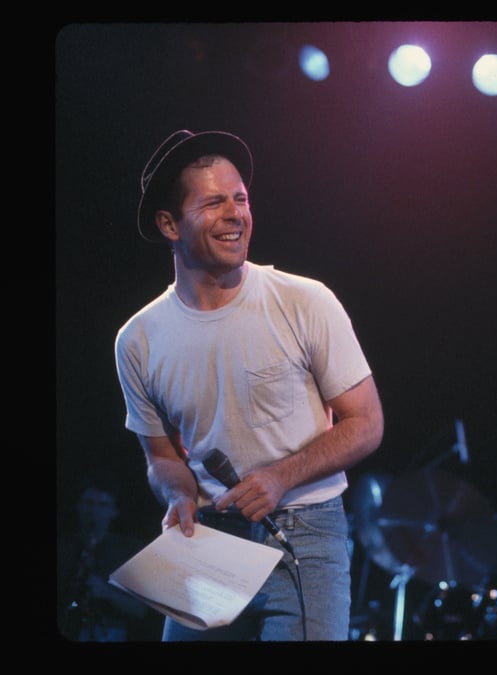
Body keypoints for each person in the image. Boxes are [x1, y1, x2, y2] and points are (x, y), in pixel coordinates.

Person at [114, 129, 384, 641]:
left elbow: (366, 423)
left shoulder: (305, 301)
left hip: (305, 532)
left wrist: (281, 477)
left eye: (240, 198)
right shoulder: (138, 340)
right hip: (210, 539)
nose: (235, 213)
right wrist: (177, 494)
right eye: (214, 202)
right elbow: (162, 456)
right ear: (169, 223)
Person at [56, 474, 150, 641]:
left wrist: (106, 592)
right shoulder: (63, 548)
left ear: (114, 511)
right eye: (89, 503)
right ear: (78, 506)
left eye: (102, 505)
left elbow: (140, 610)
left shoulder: (128, 550)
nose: (93, 511)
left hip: (110, 633)